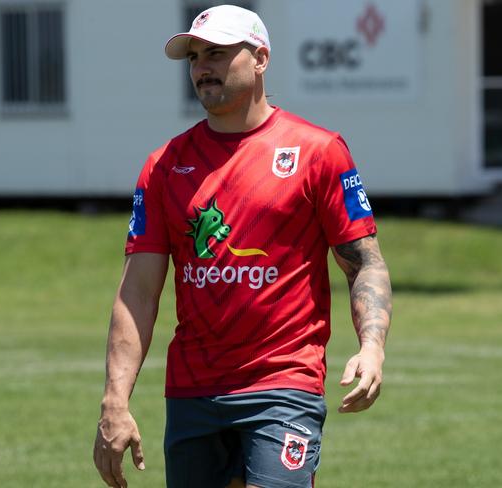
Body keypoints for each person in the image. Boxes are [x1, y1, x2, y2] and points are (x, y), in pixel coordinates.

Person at [93, 4, 392, 488]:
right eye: (194, 57)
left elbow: (364, 264)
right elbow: (138, 294)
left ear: (260, 59)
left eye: (217, 53)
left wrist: (371, 347)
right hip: (192, 392)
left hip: (284, 386)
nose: (202, 68)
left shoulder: (319, 151)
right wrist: (114, 401)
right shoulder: (164, 166)